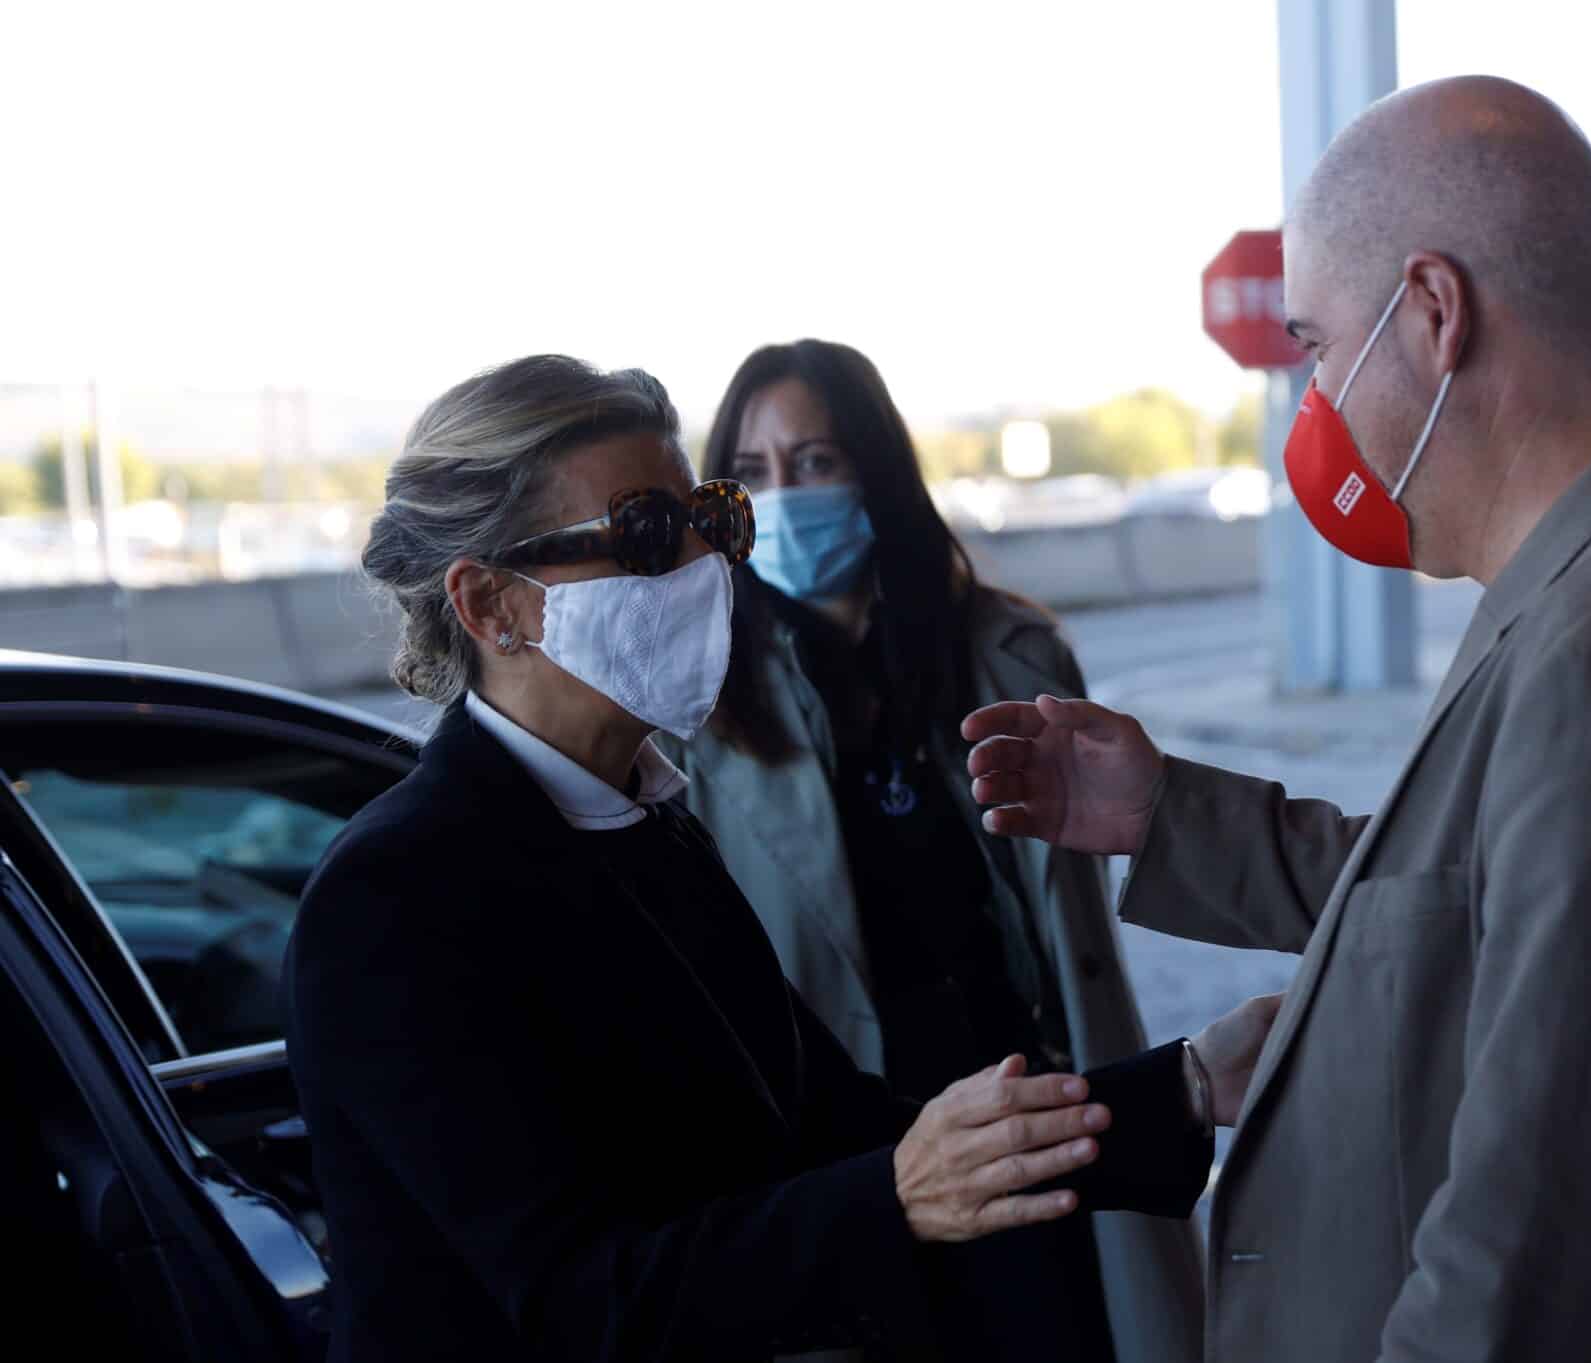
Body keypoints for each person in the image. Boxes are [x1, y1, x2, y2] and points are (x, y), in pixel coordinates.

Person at [965, 76, 1591, 1363]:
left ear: (1429, 313)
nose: (1314, 407)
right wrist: (1172, 819)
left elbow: (1518, 1281)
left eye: (1312, 344)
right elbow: (1480, 898)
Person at [284, 355, 1261, 1363]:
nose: (709, 567)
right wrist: (895, 1199)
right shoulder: (396, 900)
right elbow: (581, 1300)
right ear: (492, 605)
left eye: (713, 520)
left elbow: (834, 1123)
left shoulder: (647, 820)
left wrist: (1181, 1086)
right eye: (650, 536)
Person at [672, 339, 1204, 1363]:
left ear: (874, 468)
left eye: (816, 461)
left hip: (1038, 1122)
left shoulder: (1010, 651)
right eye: (752, 470)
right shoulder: (702, 693)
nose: (784, 493)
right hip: (852, 1168)